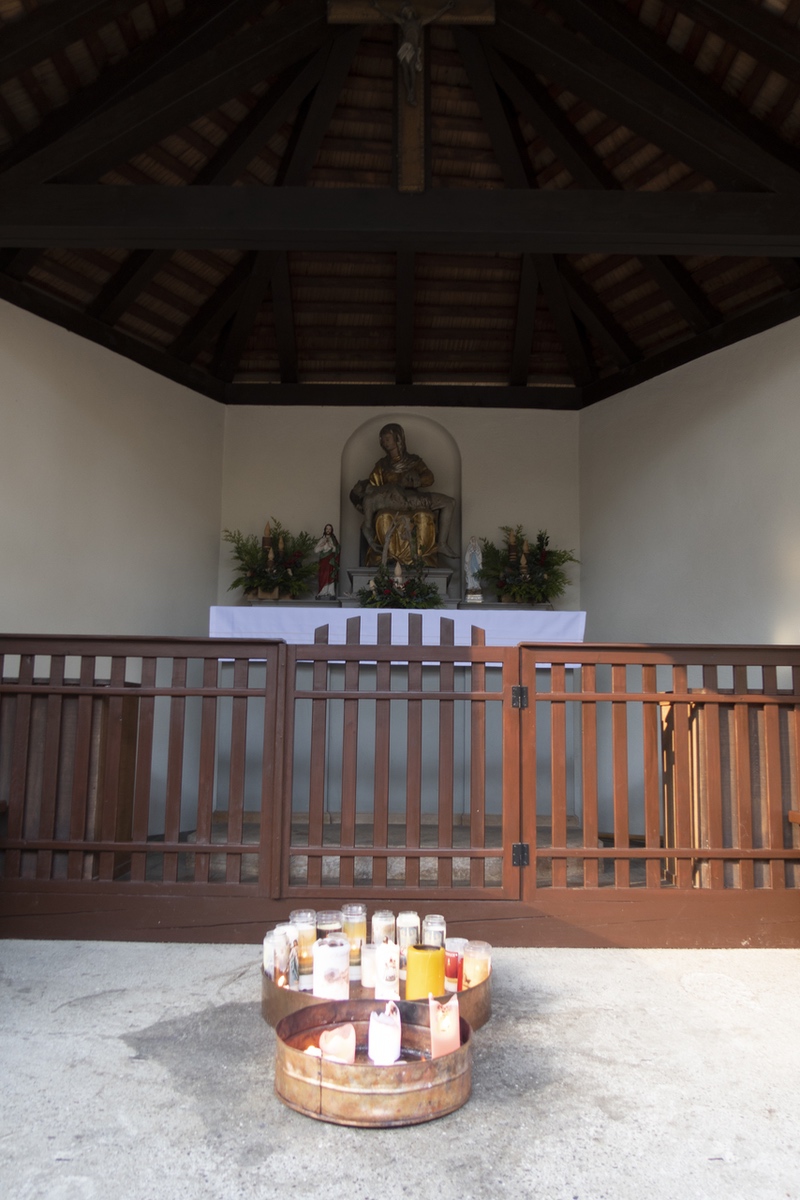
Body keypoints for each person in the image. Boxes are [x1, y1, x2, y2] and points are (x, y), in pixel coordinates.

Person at [350, 422, 457, 565]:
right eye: (382, 439)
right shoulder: (381, 467)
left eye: (387, 438)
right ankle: (389, 556)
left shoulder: (414, 461)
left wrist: (415, 481)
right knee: (384, 516)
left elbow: (429, 478)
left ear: (398, 438)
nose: (384, 442)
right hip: (396, 505)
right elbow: (372, 493)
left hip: (414, 499)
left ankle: (434, 549)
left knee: (428, 512)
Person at [371, 2, 454, 105]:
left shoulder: (418, 22)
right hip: (405, 47)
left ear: (412, 11)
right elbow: (390, 16)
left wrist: (446, 7)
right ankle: (409, 92)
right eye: (405, 11)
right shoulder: (403, 22)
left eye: (408, 10)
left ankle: (412, 91)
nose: (407, 11)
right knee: (405, 70)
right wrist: (378, 7)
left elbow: (434, 16)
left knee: (411, 69)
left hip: (413, 48)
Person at [314, 524, 340, 598]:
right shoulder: (322, 539)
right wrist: (322, 545)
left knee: (330, 575)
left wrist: (332, 546)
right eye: (327, 529)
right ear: (325, 530)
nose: (328, 530)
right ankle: (322, 592)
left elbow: (337, 550)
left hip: (331, 561)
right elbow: (316, 550)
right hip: (323, 561)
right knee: (323, 575)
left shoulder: (334, 540)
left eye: (329, 529)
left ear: (331, 530)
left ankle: (330, 592)